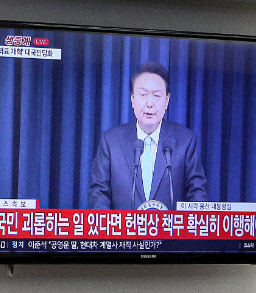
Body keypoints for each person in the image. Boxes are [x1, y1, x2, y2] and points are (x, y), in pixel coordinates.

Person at [88, 61, 208, 210]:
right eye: (143, 95)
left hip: (170, 232)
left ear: (167, 100)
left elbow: (197, 194)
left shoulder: (186, 141)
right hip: (123, 232)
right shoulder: (111, 141)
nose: (149, 103)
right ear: (132, 99)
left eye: (157, 95)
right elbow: (98, 194)